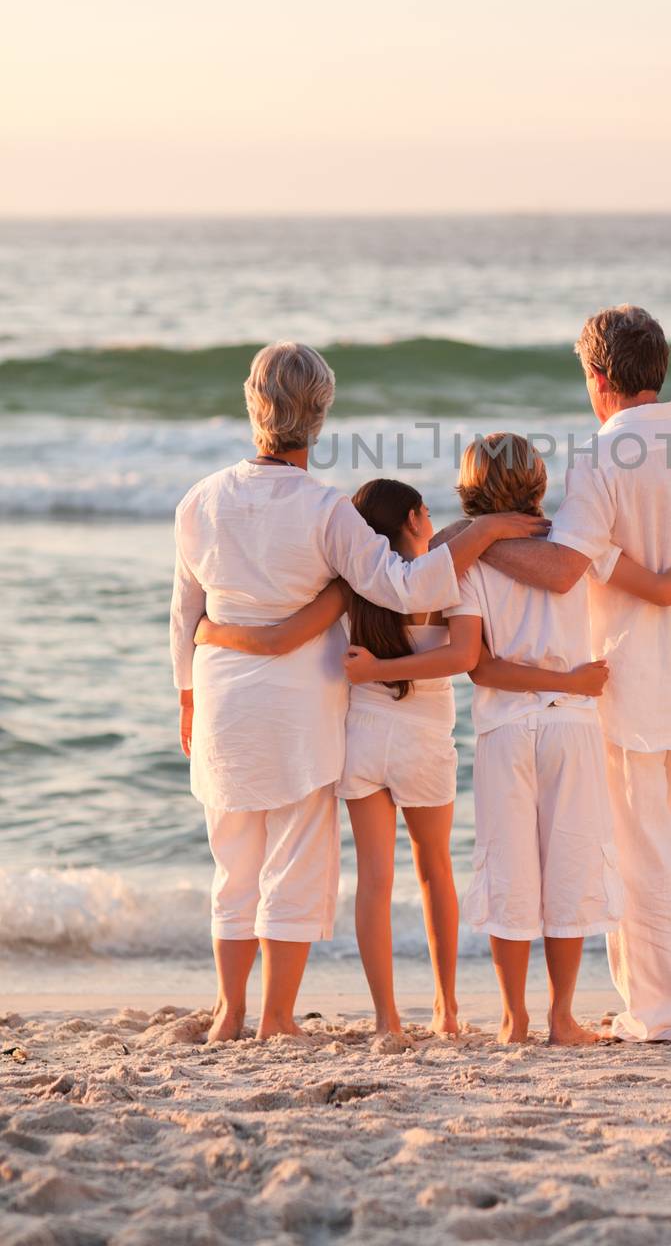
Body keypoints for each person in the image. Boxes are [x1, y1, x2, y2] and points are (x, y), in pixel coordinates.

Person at [169, 341, 544, 1042]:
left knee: (233, 862)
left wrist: (187, 694)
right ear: (320, 415)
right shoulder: (325, 510)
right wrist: (483, 530)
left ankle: (230, 1012)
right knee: (294, 863)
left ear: (254, 405)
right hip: (298, 708)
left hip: (222, 699)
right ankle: (276, 1017)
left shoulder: (199, 500)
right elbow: (402, 585)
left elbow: (184, 612)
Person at [476, 307, 671, 1043]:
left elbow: (564, 568)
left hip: (633, 666)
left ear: (599, 379)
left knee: (638, 840)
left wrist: (471, 543)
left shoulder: (602, 455)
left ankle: (660, 1010)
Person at [197, 478, 476, 1042]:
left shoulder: (350, 584)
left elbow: (287, 635)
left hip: (364, 739)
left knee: (375, 879)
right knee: (435, 870)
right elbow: (463, 656)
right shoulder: (450, 580)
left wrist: (210, 630)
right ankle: (446, 1009)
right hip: (423, 740)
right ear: (419, 518)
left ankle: (386, 1019)